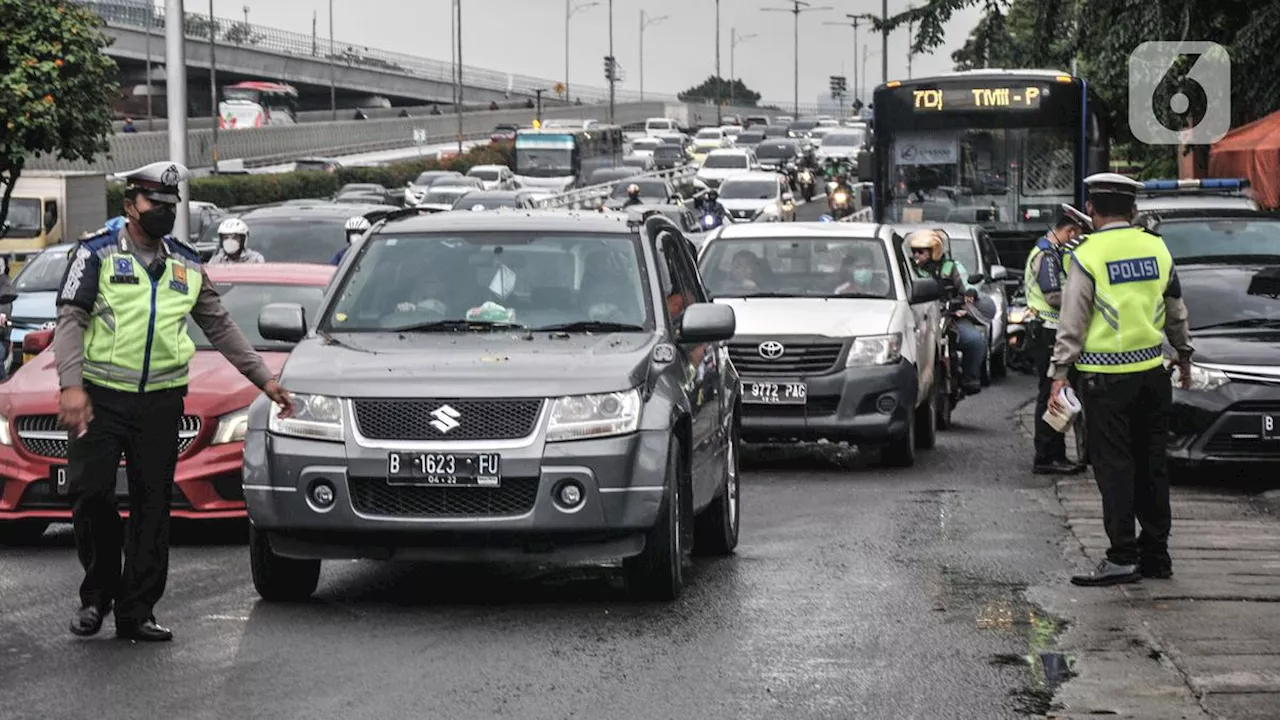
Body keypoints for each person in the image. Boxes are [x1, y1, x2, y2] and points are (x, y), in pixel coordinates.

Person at [55, 161, 294, 641]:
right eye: (153, 205)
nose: (162, 212)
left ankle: (136, 610)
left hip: (160, 403)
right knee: (91, 495)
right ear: (130, 206)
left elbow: (221, 326)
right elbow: (70, 319)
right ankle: (97, 594)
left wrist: (265, 380)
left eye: (169, 206)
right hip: (100, 399)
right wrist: (71, 385)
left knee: (151, 506)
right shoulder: (95, 253)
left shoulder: (185, 261)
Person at [1048, 173, 1194, 587]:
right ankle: (1156, 556)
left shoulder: (1088, 254)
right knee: (1152, 465)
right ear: (1132, 210)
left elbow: (1072, 320)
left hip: (1105, 382)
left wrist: (1059, 373)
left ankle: (1121, 556)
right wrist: (1183, 354)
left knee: (1114, 469)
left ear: (1091, 209)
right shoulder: (1156, 248)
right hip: (1152, 375)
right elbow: (1175, 308)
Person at [1026, 205, 1090, 475]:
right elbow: (1052, 295)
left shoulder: (1049, 251)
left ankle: (1055, 453)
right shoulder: (1048, 256)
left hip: (1048, 330)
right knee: (1051, 394)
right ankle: (1047, 456)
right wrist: (1083, 298)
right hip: (1048, 331)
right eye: (1075, 234)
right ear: (1069, 231)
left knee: (1057, 392)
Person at [907, 229, 986, 394]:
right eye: (914, 251)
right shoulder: (908, 269)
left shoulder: (952, 267)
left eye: (921, 252)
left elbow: (966, 284)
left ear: (934, 251)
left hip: (949, 316)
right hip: (918, 317)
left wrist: (970, 293)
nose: (916, 256)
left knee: (975, 340)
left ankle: (969, 378)